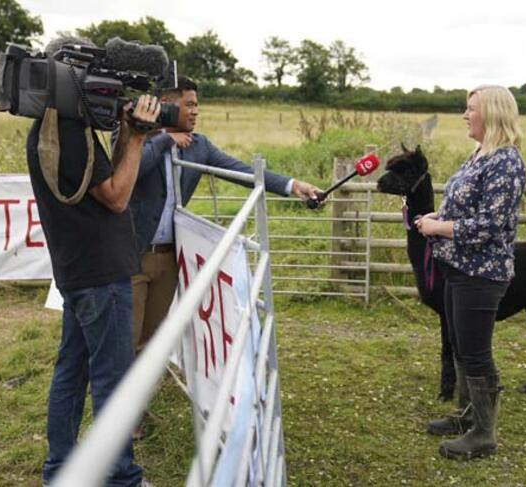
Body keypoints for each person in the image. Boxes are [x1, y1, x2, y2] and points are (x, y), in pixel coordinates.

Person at [115, 76, 321, 437]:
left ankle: (135, 409)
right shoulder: (137, 135)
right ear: (166, 103)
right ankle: (118, 417)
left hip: (167, 257)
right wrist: (163, 138)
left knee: (151, 337)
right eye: (189, 104)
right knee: (125, 339)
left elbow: (242, 171)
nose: (196, 111)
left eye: (197, 104)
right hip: (129, 255)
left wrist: (293, 186)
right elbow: (131, 173)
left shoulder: (200, 146)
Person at [28, 37, 159, 486]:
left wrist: (125, 130)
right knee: (112, 381)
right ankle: (121, 476)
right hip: (101, 277)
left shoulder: (53, 125)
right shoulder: (69, 130)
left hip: (78, 272)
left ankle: (60, 469)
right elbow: (118, 197)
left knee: (72, 371)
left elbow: (102, 185)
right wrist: (139, 136)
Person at [413, 85, 526, 460]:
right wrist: (436, 216)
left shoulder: (506, 162)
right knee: (461, 347)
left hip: (482, 273)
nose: (465, 115)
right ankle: (466, 415)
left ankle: (484, 433)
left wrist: (438, 229)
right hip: (457, 268)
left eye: (471, 109)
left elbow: (489, 225)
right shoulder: (480, 154)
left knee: (476, 353)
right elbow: (463, 208)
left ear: (491, 114)